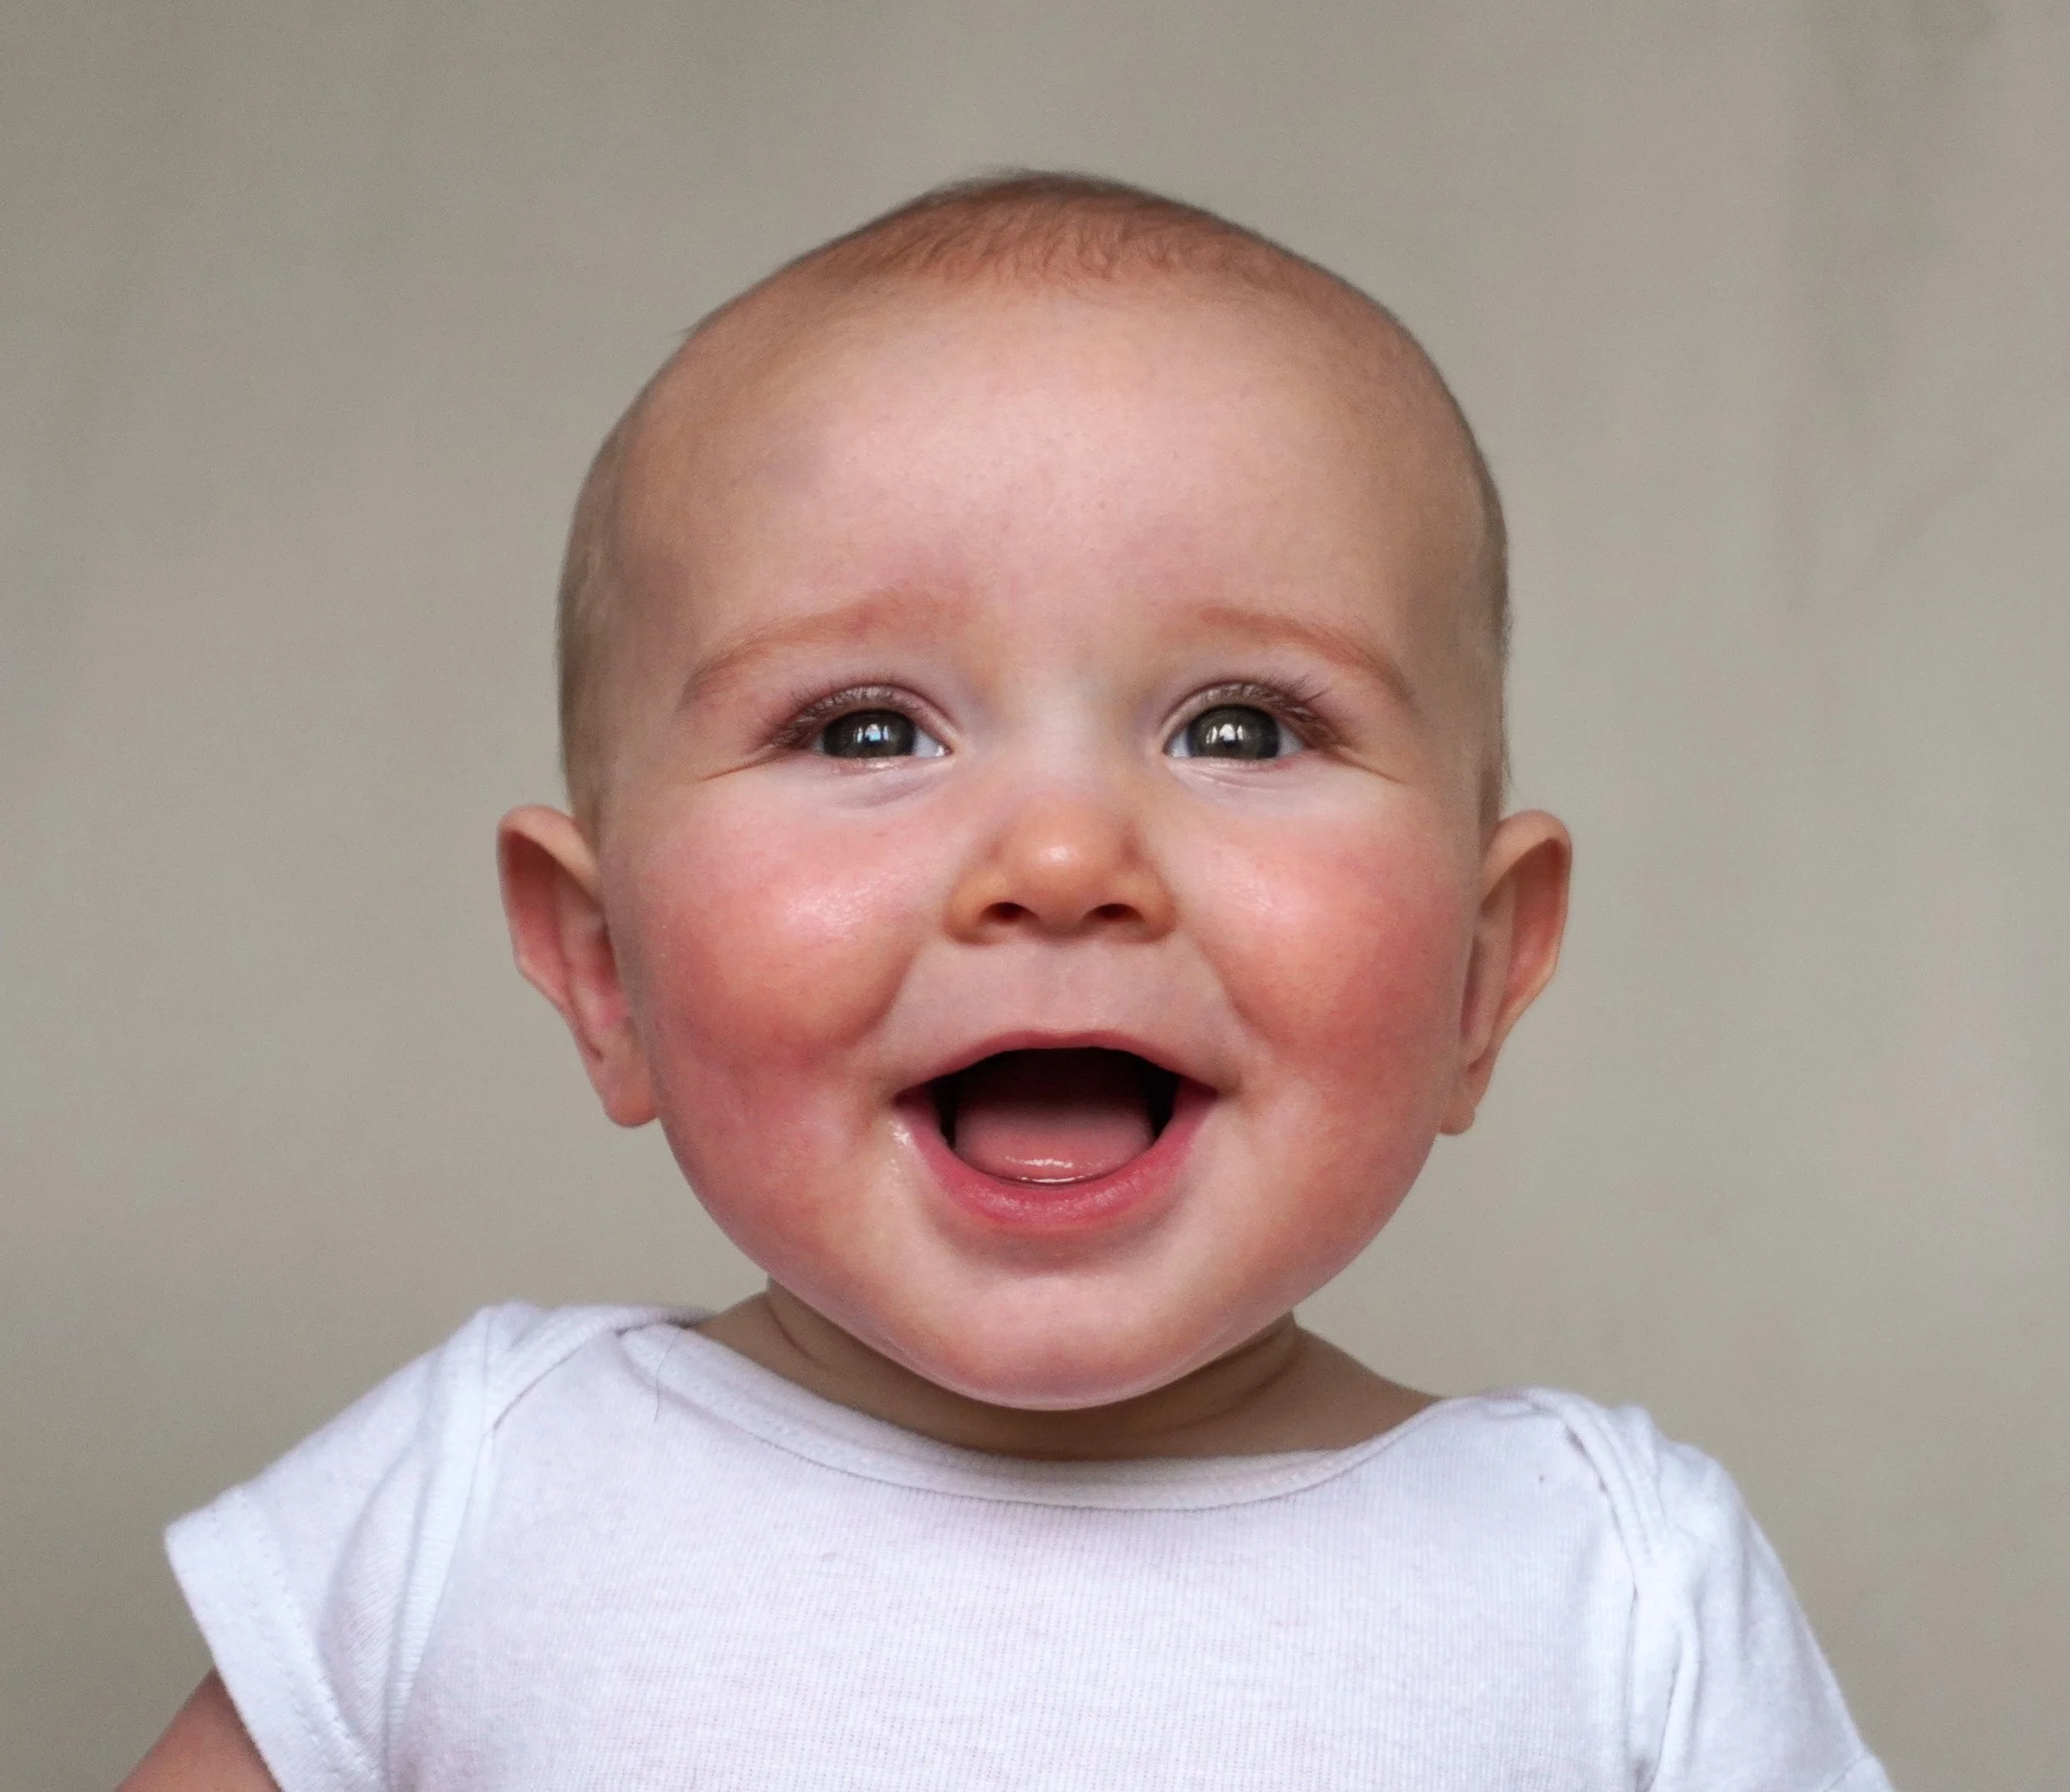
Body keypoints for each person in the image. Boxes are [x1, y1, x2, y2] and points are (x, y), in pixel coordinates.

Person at [123, 172, 1893, 1790]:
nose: (1059, 859)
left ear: (1480, 971)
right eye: (867, 725)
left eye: (1240, 726)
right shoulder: (467, 1497)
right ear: (602, 965)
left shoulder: (1608, 1582)